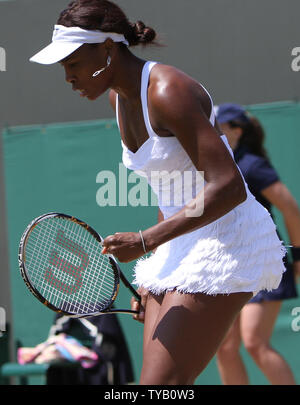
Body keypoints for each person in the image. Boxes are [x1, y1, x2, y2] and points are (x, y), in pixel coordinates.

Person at [29, 0, 286, 385]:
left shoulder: (169, 91)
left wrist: (146, 241)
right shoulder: (119, 99)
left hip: (228, 242)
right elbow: (171, 193)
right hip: (179, 244)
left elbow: (229, 187)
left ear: (108, 50)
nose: (68, 78)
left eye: (73, 64)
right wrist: (156, 270)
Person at [215, 103, 300, 385]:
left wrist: (297, 254)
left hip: (264, 263)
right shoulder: (219, 166)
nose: (212, 132)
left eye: (220, 127)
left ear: (236, 131)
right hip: (231, 266)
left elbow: (289, 207)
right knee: (225, 347)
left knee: (254, 342)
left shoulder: (252, 165)